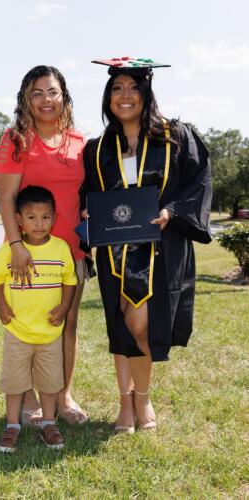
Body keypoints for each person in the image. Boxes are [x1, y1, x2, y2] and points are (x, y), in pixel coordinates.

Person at [82, 57, 212, 434]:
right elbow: (87, 192)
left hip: (158, 248)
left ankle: (143, 396)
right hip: (114, 251)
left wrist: (173, 211)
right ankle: (126, 402)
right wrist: (87, 212)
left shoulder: (174, 136)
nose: (125, 96)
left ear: (146, 93)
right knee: (120, 325)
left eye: (133, 88)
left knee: (140, 324)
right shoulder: (99, 147)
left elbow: (199, 179)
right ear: (108, 97)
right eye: (117, 88)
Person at [0, 65, 88, 426]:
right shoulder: (14, 140)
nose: (45, 100)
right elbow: (7, 201)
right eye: (37, 93)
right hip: (26, 255)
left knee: (67, 323)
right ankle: (30, 398)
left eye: (52, 92)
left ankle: (63, 395)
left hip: (71, 253)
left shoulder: (79, 142)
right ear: (25, 98)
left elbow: (86, 195)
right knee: (24, 325)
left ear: (63, 95)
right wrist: (17, 245)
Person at [0, 186, 77, 452]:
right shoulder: (9, 251)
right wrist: (2, 306)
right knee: (15, 383)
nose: (39, 223)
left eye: (45, 217)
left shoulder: (61, 249)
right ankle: (12, 426)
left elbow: (69, 281)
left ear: (54, 218)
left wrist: (63, 307)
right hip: (18, 331)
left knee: (50, 383)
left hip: (50, 334)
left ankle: (49, 423)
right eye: (31, 217)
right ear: (19, 220)